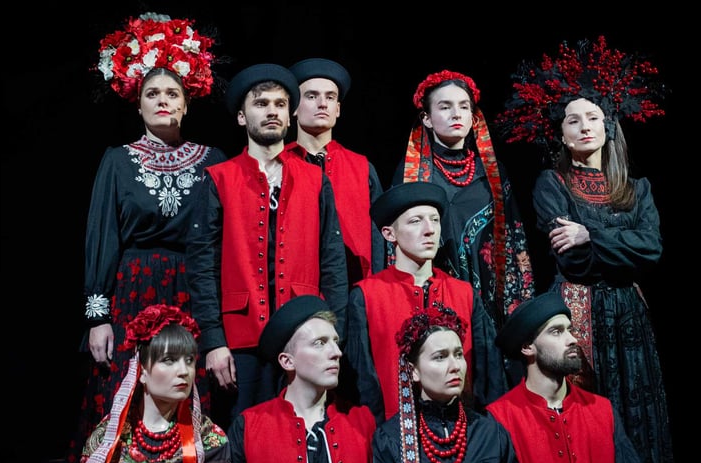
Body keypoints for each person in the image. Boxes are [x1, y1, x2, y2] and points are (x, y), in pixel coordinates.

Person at [495, 36, 679, 463]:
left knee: (637, 413)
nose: (583, 127)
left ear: (608, 125)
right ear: (561, 133)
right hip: (579, 312)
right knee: (588, 408)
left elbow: (652, 249)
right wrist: (618, 248)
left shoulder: (636, 188)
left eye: (592, 117)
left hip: (629, 315)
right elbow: (574, 263)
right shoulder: (552, 183)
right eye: (572, 120)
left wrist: (589, 234)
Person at [70, 12, 227, 463]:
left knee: (188, 383)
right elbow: (102, 238)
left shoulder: (213, 160)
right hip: (133, 290)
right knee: (128, 387)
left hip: (194, 288)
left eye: (172, 94)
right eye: (152, 94)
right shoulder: (117, 161)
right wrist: (98, 318)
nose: (162, 101)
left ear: (186, 105)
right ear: (137, 105)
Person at [186, 63, 349, 431]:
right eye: (261, 104)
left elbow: (333, 262)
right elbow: (202, 267)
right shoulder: (219, 179)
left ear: (289, 116)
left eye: (280, 104)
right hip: (239, 338)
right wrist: (213, 341)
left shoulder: (315, 179)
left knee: (303, 430)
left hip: (304, 331)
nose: (272, 111)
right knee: (243, 435)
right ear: (242, 117)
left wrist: (334, 334)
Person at [487, 293, 680, 463]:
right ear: (528, 347)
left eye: (570, 329)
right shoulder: (501, 419)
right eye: (557, 332)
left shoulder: (601, 411)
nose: (572, 339)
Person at [365, 303, 556, 463]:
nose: (455, 365)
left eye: (458, 354)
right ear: (414, 371)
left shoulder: (488, 432)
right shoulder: (391, 439)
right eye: (440, 357)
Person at [54, 304, 233, 463]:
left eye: (189, 360)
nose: (184, 371)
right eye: (169, 360)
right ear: (142, 372)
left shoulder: (209, 439)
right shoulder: (109, 439)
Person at [213, 295, 378, 463]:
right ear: (287, 361)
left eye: (335, 341)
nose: (336, 352)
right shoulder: (249, 427)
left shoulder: (362, 422)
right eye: (320, 343)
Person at [346, 181, 506, 422]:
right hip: (392, 430)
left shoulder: (463, 294)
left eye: (435, 220)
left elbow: (488, 374)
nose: (429, 230)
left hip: (461, 428)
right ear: (389, 234)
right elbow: (361, 378)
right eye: (415, 221)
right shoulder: (367, 296)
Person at [394, 70, 535, 337]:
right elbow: (395, 246)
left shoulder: (492, 174)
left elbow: (514, 242)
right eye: (444, 107)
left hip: (489, 300)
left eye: (463, 106)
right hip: (434, 299)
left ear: (473, 116)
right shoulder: (412, 175)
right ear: (426, 118)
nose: (456, 114)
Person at [285, 57, 386, 287]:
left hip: (355, 287)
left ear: (338, 109)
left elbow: (379, 237)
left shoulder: (361, 167)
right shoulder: (279, 164)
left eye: (330, 97)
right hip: (294, 288)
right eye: (312, 96)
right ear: (294, 107)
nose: (323, 104)